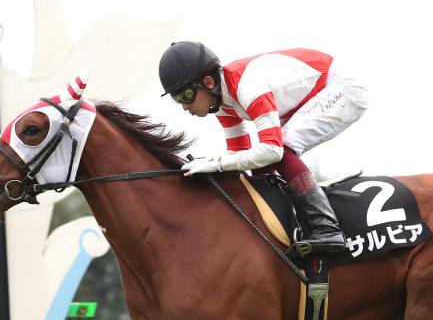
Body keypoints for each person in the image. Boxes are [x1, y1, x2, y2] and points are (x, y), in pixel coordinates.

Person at [158, 42, 369, 255]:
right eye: (177, 99)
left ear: (208, 82)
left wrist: (217, 164)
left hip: (340, 87)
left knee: (281, 148)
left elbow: (272, 151)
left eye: (185, 95)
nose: (184, 106)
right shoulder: (222, 102)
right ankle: (281, 223)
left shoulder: (246, 87)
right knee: (262, 160)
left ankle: (327, 228)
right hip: (314, 92)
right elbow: (239, 155)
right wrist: (208, 170)